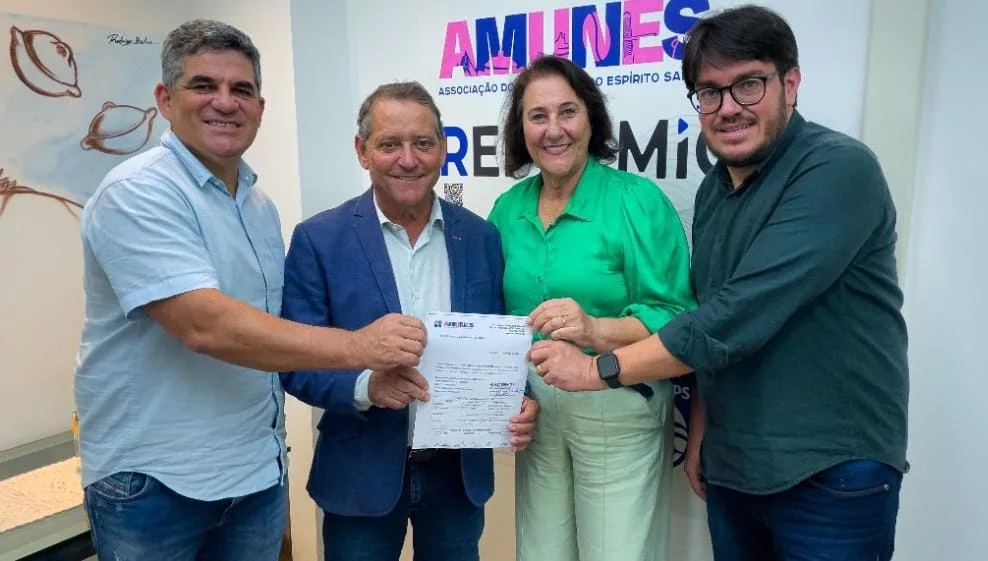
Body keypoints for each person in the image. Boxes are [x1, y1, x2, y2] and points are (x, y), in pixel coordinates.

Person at [529, 6, 909, 561]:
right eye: (710, 92)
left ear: (791, 83)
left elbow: (734, 317)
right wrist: (702, 426)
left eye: (749, 85)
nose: (728, 108)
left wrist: (593, 369)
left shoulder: (837, 170)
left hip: (830, 470)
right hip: (735, 466)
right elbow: (704, 312)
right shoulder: (714, 191)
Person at [75, 20, 426, 561]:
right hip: (155, 485)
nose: (225, 102)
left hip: (253, 475)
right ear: (165, 100)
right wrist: (362, 349)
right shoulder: (136, 192)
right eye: (203, 86)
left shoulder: (257, 206)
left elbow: (272, 333)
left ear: (260, 107)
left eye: (241, 90)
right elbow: (204, 325)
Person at [279, 81, 538, 561]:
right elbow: (294, 362)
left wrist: (519, 400)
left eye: (422, 143)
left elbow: (502, 348)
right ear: (362, 151)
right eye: (389, 144)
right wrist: (365, 386)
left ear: (442, 148)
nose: (408, 159)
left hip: (457, 477)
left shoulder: (481, 237)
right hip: (360, 475)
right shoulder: (319, 239)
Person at [486, 55, 696, 561]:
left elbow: (680, 320)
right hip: (538, 410)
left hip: (617, 406)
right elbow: (493, 320)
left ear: (591, 118)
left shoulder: (636, 201)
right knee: (540, 551)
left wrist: (596, 329)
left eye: (568, 111)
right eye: (537, 116)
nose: (553, 129)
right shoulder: (507, 209)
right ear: (521, 128)